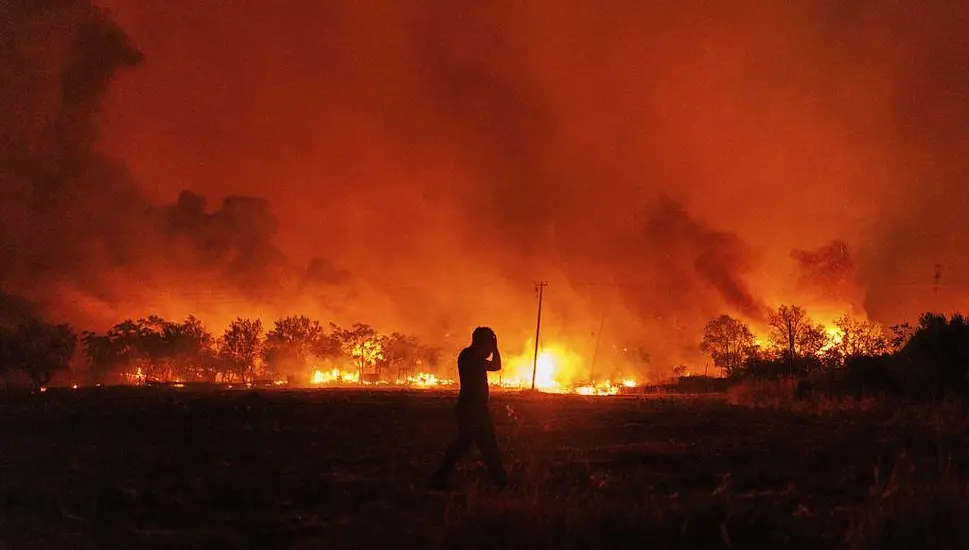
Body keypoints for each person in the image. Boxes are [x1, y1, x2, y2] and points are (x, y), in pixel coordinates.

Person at [430, 326, 508, 489]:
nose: (489, 348)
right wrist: (492, 347)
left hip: (477, 408)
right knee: (473, 444)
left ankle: (501, 481)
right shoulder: (468, 355)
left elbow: (496, 366)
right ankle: (500, 481)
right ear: (480, 342)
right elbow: (490, 362)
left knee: (482, 445)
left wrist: (495, 348)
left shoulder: (475, 356)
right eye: (487, 342)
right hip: (470, 409)